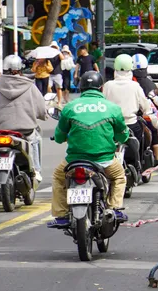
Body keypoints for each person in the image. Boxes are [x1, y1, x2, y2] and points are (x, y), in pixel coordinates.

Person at [49, 71, 129, 227]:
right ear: (101, 87)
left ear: (81, 87)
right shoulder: (112, 108)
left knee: (59, 178)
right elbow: (122, 135)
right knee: (119, 177)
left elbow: (59, 137)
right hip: (104, 160)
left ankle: (61, 215)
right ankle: (115, 208)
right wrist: (122, 138)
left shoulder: (70, 107)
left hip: (74, 161)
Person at [0, 54, 48, 186]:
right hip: (25, 130)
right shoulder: (29, 85)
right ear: (19, 70)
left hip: (1, 130)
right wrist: (43, 115)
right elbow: (41, 107)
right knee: (36, 139)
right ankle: (36, 170)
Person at [102, 55, 152, 150]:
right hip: (131, 124)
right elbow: (145, 106)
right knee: (142, 142)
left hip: (110, 126)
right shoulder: (135, 86)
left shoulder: (108, 85)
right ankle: (137, 162)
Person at [132, 53, 158, 163]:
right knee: (154, 130)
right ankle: (157, 157)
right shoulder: (150, 84)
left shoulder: (127, 83)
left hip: (127, 116)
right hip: (142, 115)